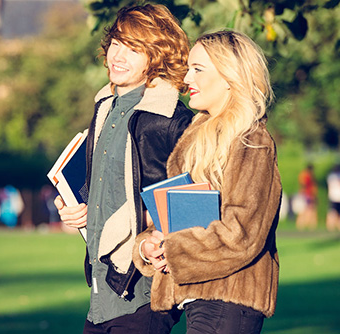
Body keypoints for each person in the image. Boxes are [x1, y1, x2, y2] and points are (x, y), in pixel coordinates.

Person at [54, 4, 194, 333]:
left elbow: (189, 204)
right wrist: (77, 207)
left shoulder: (171, 119)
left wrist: (133, 222)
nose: (118, 55)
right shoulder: (106, 107)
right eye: (117, 43)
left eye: (133, 48)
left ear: (157, 55)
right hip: (102, 291)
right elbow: (106, 184)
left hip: (143, 292)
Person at [135, 30, 282, 334]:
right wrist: (150, 244)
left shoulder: (252, 142)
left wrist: (172, 249)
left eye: (198, 69)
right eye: (189, 67)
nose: (187, 77)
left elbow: (241, 234)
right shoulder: (193, 140)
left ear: (230, 76)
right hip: (197, 299)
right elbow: (176, 218)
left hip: (230, 301)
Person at [296, 164, 318, 230]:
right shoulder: (307, 175)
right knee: (308, 209)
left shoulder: (303, 174)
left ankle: (302, 225)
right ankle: (303, 224)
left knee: (305, 209)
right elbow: (304, 184)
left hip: (306, 194)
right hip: (307, 194)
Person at [326, 164, 340, 231]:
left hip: (333, 196)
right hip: (336, 197)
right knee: (333, 212)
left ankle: (333, 226)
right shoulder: (334, 176)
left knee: (333, 212)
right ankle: (331, 225)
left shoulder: (330, 176)